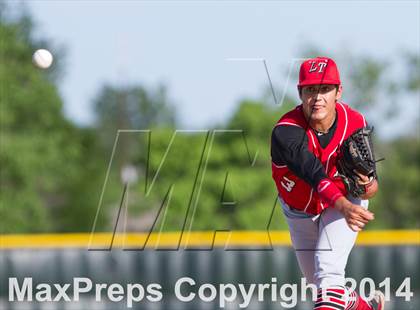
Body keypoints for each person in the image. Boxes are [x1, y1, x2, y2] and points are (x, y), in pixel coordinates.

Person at [271, 57, 384, 310]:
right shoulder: (286, 131)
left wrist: (366, 184)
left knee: (329, 274)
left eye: (325, 89)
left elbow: (372, 187)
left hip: (343, 204)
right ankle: (368, 307)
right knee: (324, 290)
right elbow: (314, 175)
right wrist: (345, 206)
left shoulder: (354, 122)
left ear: (338, 92)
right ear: (300, 93)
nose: (318, 97)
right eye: (310, 89)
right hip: (300, 211)